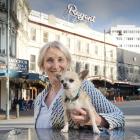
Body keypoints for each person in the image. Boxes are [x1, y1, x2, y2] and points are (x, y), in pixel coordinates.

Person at [34, 41, 125, 129]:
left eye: (60, 60)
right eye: (50, 60)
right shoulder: (39, 99)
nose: (55, 66)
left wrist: (97, 120)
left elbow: (119, 117)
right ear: (42, 65)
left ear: (68, 64)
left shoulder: (82, 86)